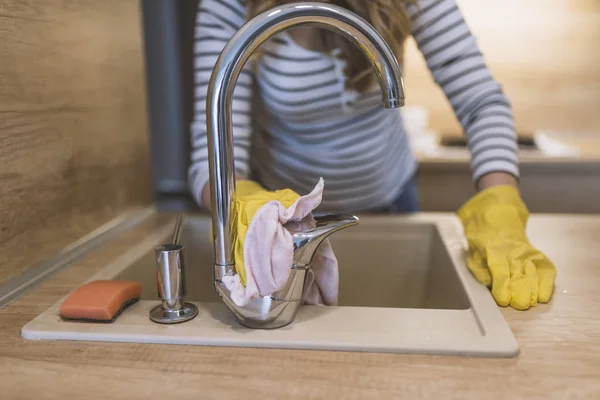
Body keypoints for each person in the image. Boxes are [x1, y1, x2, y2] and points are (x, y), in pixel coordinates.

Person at [188, 0, 557, 310]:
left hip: (393, 205)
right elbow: (213, 153)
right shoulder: (230, 5)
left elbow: (481, 101)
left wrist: (500, 204)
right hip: (287, 232)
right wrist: (247, 209)